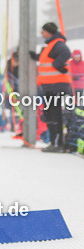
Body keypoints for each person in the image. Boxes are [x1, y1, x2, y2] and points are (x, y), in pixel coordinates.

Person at [29, 22, 74, 152]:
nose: (41, 33)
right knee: (50, 114)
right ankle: (54, 143)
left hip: (57, 85)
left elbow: (66, 53)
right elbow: (47, 60)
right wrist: (35, 56)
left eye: (43, 31)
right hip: (51, 86)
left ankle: (57, 144)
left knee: (54, 115)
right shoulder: (51, 45)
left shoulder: (58, 43)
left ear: (49, 32)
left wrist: (57, 64)